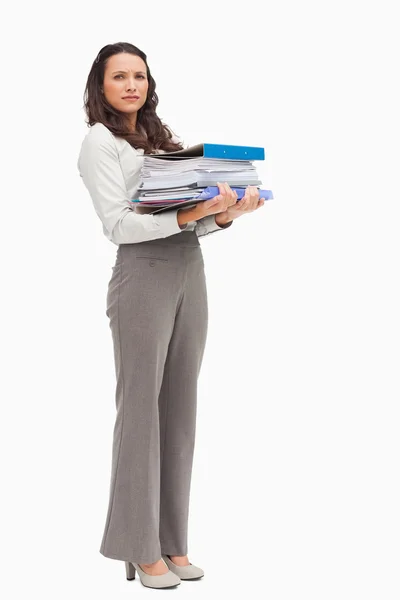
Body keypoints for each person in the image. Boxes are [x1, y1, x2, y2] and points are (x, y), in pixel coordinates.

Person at [77, 42, 264, 589]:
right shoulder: (99, 142)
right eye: (119, 77)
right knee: (140, 412)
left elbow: (188, 222)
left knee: (180, 409)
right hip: (141, 274)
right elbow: (118, 225)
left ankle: (171, 543)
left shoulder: (160, 140)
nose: (131, 85)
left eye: (139, 75)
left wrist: (223, 215)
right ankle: (138, 547)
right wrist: (190, 212)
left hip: (188, 269)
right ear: (101, 86)